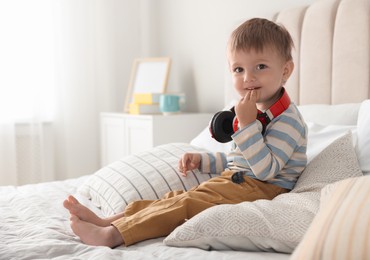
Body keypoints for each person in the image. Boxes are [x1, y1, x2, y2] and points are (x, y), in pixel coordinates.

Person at [63, 17, 307, 248]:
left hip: (263, 190)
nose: (248, 78)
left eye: (260, 66)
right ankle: (110, 221)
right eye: (238, 69)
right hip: (240, 181)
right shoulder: (252, 110)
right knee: (174, 197)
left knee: (186, 205)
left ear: (285, 71)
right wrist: (205, 160)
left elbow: (265, 170)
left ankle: (113, 236)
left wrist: (246, 126)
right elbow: (240, 160)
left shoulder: (288, 121)